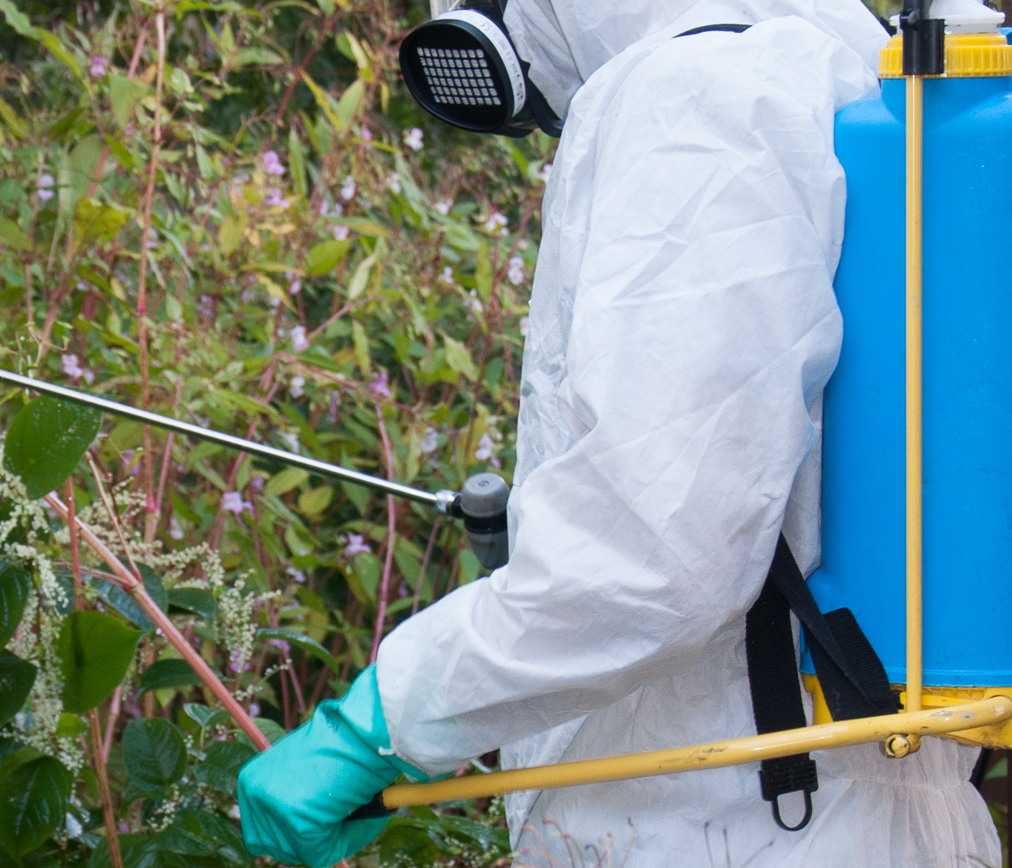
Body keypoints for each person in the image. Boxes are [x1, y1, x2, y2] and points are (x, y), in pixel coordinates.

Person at [235, 1, 1001, 865]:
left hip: (732, 824)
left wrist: (383, 725)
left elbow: (656, 552)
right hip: (845, 805)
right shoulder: (873, 77)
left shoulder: (698, 99)